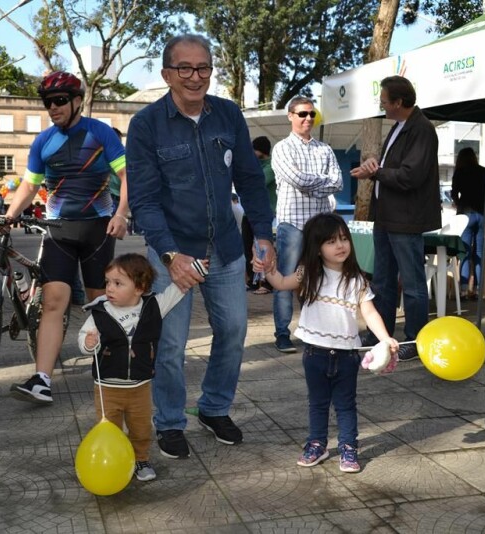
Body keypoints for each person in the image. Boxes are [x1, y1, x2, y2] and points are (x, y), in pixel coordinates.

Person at [126, 34, 275, 459]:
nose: (196, 77)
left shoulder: (228, 115)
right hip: (172, 252)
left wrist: (263, 233)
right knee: (170, 345)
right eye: (186, 69)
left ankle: (213, 408)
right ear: (167, 74)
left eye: (204, 68)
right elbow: (145, 200)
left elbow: (248, 178)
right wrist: (172, 256)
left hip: (224, 249)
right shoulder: (146, 125)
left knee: (233, 331)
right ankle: (170, 421)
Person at [6, 70, 129, 404]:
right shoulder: (44, 141)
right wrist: (10, 215)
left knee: (99, 302)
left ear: (77, 101)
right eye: (48, 102)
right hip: (58, 230)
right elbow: (30, 185)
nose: (53, 107)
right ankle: (41, 379)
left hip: (98, 229)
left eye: (60, 101)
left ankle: (110, 364)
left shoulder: (100, 132)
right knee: (53, 302)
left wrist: (121, 214)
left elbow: (125, 173)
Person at [254, 213, 397, 472]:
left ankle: (348, 448)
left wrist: (385, 337)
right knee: (318, 402)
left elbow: (370, 313)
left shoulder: (357, 280)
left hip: (347, 355)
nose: (340, 245)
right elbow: (283, 283)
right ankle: (317, 444)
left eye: (343, 239)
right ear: (317, 248)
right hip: (314, 353)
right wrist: (269, 270)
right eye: (331, 241)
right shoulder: (308, 273)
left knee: (346, 404)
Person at [349, 75, 441, 362]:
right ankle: (382, 333)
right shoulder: (400, 126)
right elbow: (394, 167)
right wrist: (375, 165)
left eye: (385, 101)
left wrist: (375, 172)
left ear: (400, 102)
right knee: (383, 282)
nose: (383, 106)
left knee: (412, 284)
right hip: (386, 217)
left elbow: (410, 176)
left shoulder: (422, 129)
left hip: (406, 218)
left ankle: (414, 338)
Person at [78, 253, 189, 481]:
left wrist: (194, 270)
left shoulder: (153, 306)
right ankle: (112, 466)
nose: (110, 288)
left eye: (118, 283)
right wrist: (88, 343)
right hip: (107, 388)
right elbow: (84, 339)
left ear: (139, 288)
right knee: (111, 429)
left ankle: (140, 460)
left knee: (141, 429)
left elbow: (176, 290)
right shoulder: (99, 313)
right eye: (108, 282)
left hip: (140, 387)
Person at [271, 95, 342, 353]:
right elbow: (296, 179)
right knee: (286, 281)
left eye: (311, 114)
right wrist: (320, 184)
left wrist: (310, 184)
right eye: (302, 114)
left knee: (321, 279)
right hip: (292, 223)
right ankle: (282, 333)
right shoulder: (282, 148)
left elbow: (338, 183)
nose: (308, 119)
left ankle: (316, 331)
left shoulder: (325, 149)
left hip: (320, 226)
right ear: (290, 116)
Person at [450, 147, 485, 300]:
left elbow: (454, 193)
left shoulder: (460, 172)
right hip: (483, 215)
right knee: (479, 254)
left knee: (464, 253)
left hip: (466, 215)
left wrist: (458, 203)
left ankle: (463, 290)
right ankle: (477, 290)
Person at [242, 136, 277, 295]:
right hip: (249, 212)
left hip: (264, 213)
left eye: (254, 149)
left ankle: (267, 283)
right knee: (248, 247)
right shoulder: (257, 165)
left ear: (261, 151)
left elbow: (257, 183)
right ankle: (254, 281)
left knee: (261, 247)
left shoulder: (270, 167)